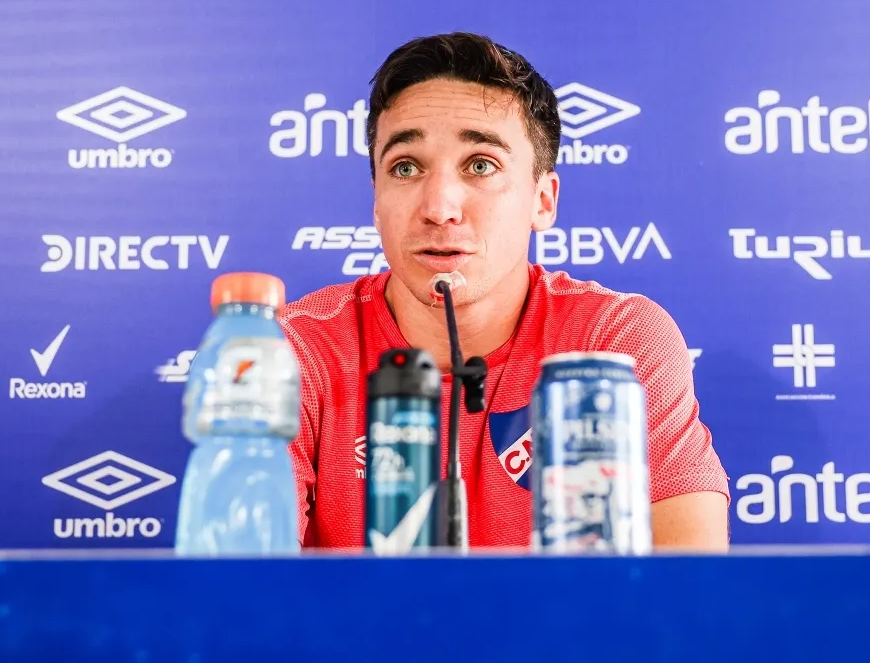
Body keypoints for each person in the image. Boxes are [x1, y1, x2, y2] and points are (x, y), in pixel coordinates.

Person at [280, 32, 729, 549]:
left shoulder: (614, 343)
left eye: (481, 165)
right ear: (376, 201)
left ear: (543, 201)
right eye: (405, 167)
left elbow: (690, 582)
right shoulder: (295, 349)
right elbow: (240, 585)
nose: (439, 208)